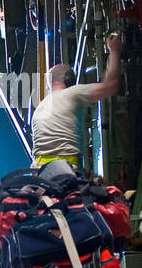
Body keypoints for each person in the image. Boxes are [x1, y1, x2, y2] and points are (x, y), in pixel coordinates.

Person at [31, 33, 122, 169]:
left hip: (38, 172)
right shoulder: (71, 93)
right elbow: (111, 85)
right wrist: (114, 51)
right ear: (69, 81)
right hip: (64, 172)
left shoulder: (39, 109)